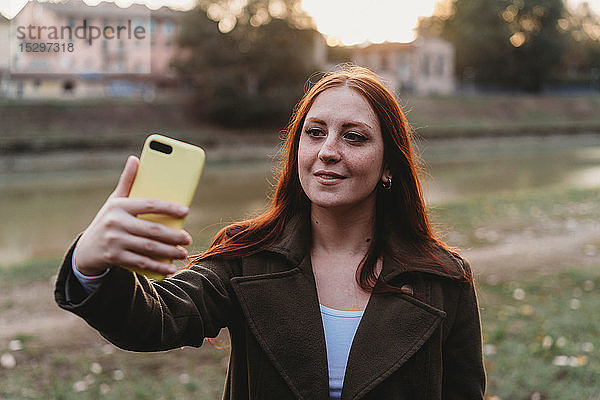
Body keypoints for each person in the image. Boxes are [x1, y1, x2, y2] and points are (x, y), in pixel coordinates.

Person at [55, 66, 486, 399]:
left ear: (389, 165)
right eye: (314, 133)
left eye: (354, 137)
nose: (328, 151)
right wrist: (90, 263)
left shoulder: (445, 279)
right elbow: (155, 320)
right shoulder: (247, 254)